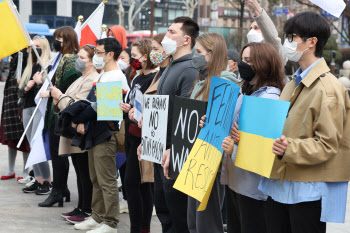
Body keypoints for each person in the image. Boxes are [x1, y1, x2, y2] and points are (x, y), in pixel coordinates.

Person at [257, 12, 350, 233]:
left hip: (307, 192)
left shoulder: (329, 88)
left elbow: (328, 145)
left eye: (292, 37)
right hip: (279, 184)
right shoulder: (294, 82)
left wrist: (289, 147)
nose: (288, 42)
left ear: (312, 42)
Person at [219, 42, 285, 233]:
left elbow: (263, 150)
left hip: (254, 188)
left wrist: (236, 147)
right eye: (242, 59)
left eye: (249, 61)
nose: (243, 64)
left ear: (264, 64)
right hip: (236, 181)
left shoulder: (269, 99)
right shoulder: (246, 92)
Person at [74, 37, 129, 233]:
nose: (95, 56)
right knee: (95, 177)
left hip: (107, 133)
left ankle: (110, 222)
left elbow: (101, 108)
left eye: (98, 53)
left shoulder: (115, 76)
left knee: (106, 181)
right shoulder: (104, 74)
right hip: (96, 132)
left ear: (110, 55)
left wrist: (80, 116)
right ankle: (97, 216)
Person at [153, 16, 199, 233]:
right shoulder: (170, 66)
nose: (166, 36)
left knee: (177, 215)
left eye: (172, 32)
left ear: (186, 40)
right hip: (160, 151)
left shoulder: (190, 69)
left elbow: (186, 115)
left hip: (175, 155)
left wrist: (175, 149)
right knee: (163, 210)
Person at [184, 32, 232, 233]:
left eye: (198, 52)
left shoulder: (226, 82)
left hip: (211, 159)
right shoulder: (201, 80)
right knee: (193, 222)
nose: (194, 56)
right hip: (195, 157)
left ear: (212, 54)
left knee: (207, 222)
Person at [50, 44, 97, 223]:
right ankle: (80, 206)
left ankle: (86, 208)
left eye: (83, 58)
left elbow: (76, 106)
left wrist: (59, 96)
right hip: (72, 132)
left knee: (85, 172)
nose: (79, 61)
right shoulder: (81, 78)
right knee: (79, 171)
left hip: (82, 132)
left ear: (92, 62)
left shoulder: (92, 79)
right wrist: (60, 98)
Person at [38, 26, 82, 207]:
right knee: (57, 153)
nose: (57, 41)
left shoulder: (71, 60)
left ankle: (58, 190)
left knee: (60, 154)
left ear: (69, 40)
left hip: (64, 112)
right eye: (56, 38)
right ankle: (61, 189)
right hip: (56, 112)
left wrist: (51, 94)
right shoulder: (62, 58)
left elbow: (71, 89)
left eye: (60, 38)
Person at [120, 38, 157, 233]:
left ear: (147, 56)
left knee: (137, 183)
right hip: (131, 131)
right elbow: (134, 101)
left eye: (135, 56)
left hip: (144, 136)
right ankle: (140, 226)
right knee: (136, 183)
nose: (133, 60)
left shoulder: (156, 77)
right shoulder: (137, 76)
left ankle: (140, 227)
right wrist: (128, 108)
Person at [19, 35, 53, 194]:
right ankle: (39, 179)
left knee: (36, 143)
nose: (33, 51)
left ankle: (47, 180)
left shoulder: (48, 65)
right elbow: (20, 92)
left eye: (37, 47)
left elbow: (52, 88)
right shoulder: (30, 66)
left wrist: (39, 83)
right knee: (32, 144)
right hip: (27, 107)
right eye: (32, 47)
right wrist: (27, 87)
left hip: (40, 107)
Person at [0, 49, 30, 181]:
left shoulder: (25, 57)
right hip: (10, 100)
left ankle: (25, 171)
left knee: (23, 137)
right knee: (10, 137)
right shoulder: (14, 58)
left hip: (21, 100)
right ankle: (11, 169)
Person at [246, 0, 286, 64]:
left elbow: (272, 38)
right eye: (250, 29)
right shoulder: (246, 56)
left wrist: (257, 9)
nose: (252, 31)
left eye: (256, 28)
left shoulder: (274, 55)